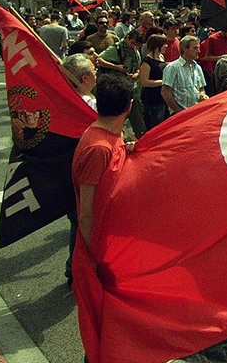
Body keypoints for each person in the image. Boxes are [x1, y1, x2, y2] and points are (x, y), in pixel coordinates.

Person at [72, 73, 136, 277]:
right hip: (103, 245)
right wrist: (96, 259)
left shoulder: (113, 135)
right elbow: (86, 213)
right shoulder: (98, 149)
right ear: (129, 106)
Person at [99, 29, 145, 138]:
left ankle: (140, 136)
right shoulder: (116, 49)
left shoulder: (135, 53)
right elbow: (99, 60)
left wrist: (135, 75)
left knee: (137, 117)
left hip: (129, 88)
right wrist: (116, 67)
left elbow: (138, 69)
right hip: (115, 88)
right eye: (132, 42)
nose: (133, 46)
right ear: (128, 37)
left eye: (136, 44)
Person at [161, 36, 207, 114]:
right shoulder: (173, 67)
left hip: (195, 112)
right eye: (195, 48)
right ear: (185, 49)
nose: (198, 51)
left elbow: (201, 88)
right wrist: (179, 111)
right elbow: (165, 92)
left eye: (198, 48)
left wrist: (202, 95)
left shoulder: (198, 68)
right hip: (179, 114)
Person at [139, 33, 168, 130]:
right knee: (155, 122)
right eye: (164, 44)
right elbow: (144, 82)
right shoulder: (147, 62)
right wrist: (163, 82)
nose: (166, 46)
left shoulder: (161, 57)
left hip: (162, 95)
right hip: (152, 97)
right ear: (157, 46)